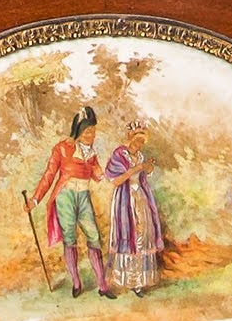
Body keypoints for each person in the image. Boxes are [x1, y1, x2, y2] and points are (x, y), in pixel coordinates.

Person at [31, 106, 115, 296]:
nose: (91, 135)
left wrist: (106, 174)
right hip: (65, 197)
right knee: (70, 239)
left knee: (94, 237)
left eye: (93, 131)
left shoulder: (91, 153)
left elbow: (97, 175)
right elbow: (49, 175)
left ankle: (102, 286)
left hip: (84, 197)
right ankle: (76, 283)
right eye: (87, 131)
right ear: (78, 131)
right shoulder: (62, 148)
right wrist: (35, 200)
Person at [105, 127, 165, 293]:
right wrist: (136, 169)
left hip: (140, 197)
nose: (139, 144)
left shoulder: (140, 156)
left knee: (142, 233)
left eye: (142, 142)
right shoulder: (119, 155)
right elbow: (115, 181)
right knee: (129, 234)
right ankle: (127, 279)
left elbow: (142, 177)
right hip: (125, 199)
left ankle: (139, 280)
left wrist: (147, 168)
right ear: (130, 138)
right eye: (138, 140)